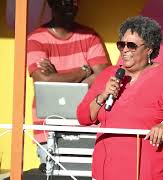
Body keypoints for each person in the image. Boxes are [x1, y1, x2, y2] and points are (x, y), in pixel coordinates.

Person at [77, 16, 163, 180]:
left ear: (149, 49)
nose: (124, 50)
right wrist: (103, 95)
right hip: (106, 172)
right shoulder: (109, 75)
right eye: (121, 44)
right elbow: (83, 117)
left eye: (131, 45)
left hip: (149, 172)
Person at [26, 0, 111, 168]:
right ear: (51, 3)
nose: (70, 6)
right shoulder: (36, 38)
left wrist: (57, 77)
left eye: (74, 2)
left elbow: (104, 75)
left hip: (86, 125)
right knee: (53, 175)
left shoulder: (90, 36)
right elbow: (44, 81)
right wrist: (85, 71)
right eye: (63, 1)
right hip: (48, 129)